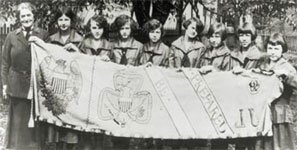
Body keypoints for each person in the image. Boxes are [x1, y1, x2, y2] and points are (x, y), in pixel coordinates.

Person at [1, 2, 49, 149]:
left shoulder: (43, 34)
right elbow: (4, 63)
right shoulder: (11, 36)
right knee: (18, 120)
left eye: (29, 15)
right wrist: (4, 85)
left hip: (35, 84)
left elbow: (49, 59)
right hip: (16, 84)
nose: (26, 18)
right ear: (19, 18)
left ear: (34, 17)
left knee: (34, 118)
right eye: (23, 16)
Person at [46, 6, 83, 150]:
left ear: (71, 21)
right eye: (60, 19)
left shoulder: (79, 39)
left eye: (66, 19)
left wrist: (77, 51)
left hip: (71, 85)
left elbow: (85, 64)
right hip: (56, 85)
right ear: (56, 22)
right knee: (57, 116)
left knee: (71, 119)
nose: (63, 23)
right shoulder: (52, 39)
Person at [254, 32, 296, 150]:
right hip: (264, 112)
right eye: (270, 48)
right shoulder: (263, 65)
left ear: (282, 50)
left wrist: (287, 76)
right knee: (264, 145)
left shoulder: (287, 67)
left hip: (280, 113)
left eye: (276, 49)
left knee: (280, 145)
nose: (272, 52)